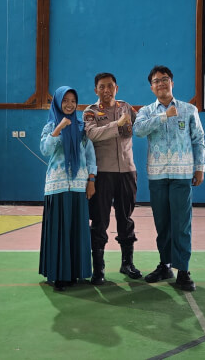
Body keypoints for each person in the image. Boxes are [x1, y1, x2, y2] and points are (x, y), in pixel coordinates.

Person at [134, 65, 205, 291]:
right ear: (151, 87)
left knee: (181, 224)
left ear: (172, 83)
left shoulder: (189, 110)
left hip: (182, 175)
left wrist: (199, 168)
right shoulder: (146, 111)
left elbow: (198, 140)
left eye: (164, 79)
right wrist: (163, 117)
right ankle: (165, 265)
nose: (161, 83)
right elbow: (138, 130)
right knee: (162, 223)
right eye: (156, 81)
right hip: (157, 175)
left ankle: (183, 270)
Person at [83, 72, 141, 285]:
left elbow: (140, 126)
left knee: (126, 218)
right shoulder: (90, 112)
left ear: (116, 88)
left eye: (110, 86)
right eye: (102, 87)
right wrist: (117, 124)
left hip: (127, 171)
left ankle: (127, 263)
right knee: (100, 220)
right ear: (96, 90)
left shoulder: (126, 107)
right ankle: (98, 268)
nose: (106, 90)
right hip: (103, 173)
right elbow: (92, 134)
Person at [39, 86, 97, 291]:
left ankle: (74, 272)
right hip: (57, 185)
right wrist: (59, 128)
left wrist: (91, 180)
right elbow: (45, 150)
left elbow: (90, 156)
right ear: (57, 102)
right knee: (59, 231)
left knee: (77, 230)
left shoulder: (82, 128)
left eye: (73, 101)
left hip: (79, 185)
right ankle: (59, 275)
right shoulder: (50, 126)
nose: (69, 104)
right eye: (65, 100)